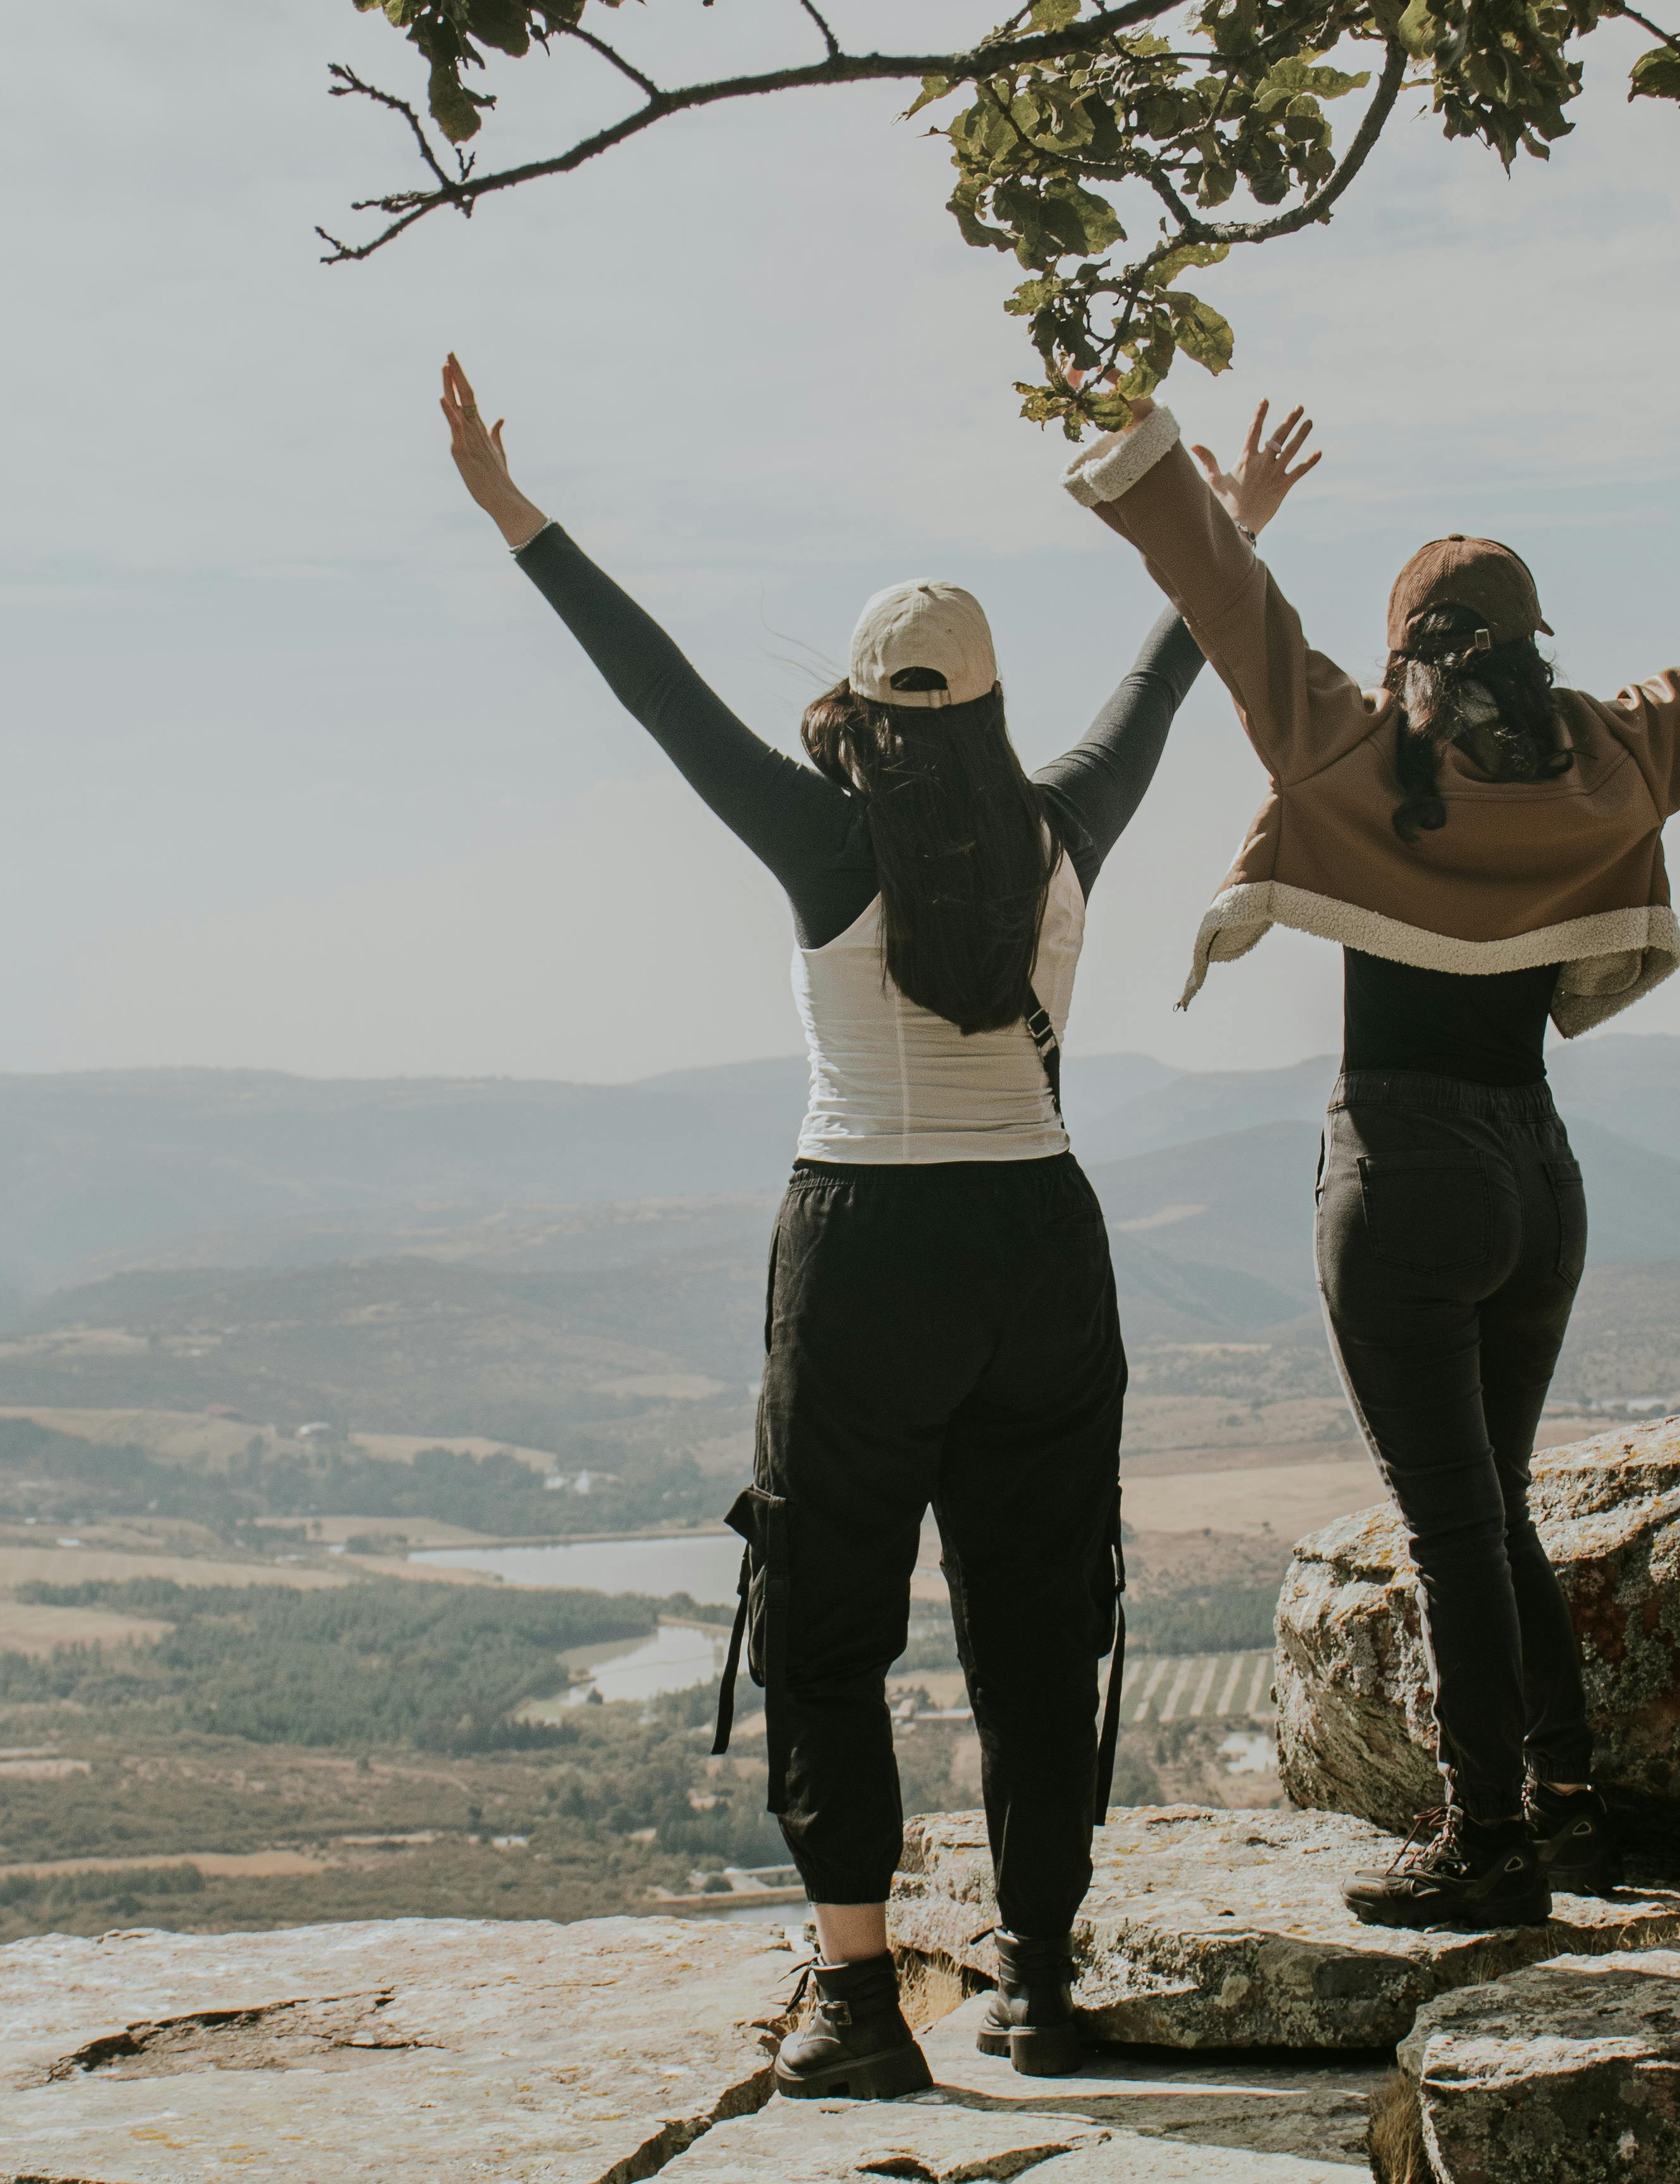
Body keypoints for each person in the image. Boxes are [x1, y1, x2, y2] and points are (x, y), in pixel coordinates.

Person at [1069, 395, 1680, 1925]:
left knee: (1448, 1527)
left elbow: (1226, 601)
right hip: (1541, 1179)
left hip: (1399, 1175)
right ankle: (1568, 1804)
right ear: (1531, 644)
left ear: (1407, 644)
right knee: (1499, 1509)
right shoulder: (1613, 752)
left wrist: (1146, 442)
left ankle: (1485, 1844)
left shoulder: (1347, 742)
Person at [441, 352, 1219, 2095]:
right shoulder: (1066, 823)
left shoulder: (821, 838)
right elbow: (1171, 674)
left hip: (863, 1245)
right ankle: (1041, 1981)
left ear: (866, 703)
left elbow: (661, 691)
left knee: (828, 1620)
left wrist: (516, 515)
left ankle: (860, 2002)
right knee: (1034, 1624)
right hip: (1040, 1243)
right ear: (993, 706)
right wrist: (1219, 526)